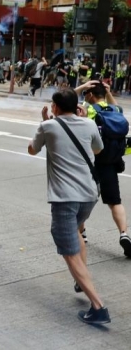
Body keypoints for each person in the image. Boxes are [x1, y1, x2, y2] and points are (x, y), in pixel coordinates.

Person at [27, 89, 109, 325]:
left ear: (54, 107)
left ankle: (98, 306)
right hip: (89, 195)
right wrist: (82, 120)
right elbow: (97, 150)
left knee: (69, 252)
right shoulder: (89, 124)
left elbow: (33, 149)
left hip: (65, 198)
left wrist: (43, 125)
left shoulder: (47, 127)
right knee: (76, 231)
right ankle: (81, 281)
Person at [74, 80, 131, 255]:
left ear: (90, 95)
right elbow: (116, 108)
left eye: (86, 94)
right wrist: (108, 93)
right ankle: (124, 233)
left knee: (82, 200)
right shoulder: (116, 111)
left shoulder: (87, 110)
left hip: (90, 163)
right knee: (115, 202)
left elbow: (63, 100)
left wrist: (82, 87)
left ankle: (81, 234)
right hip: (111, 163)